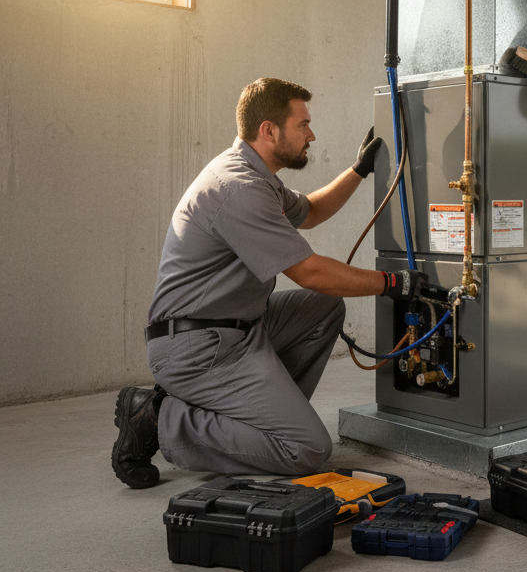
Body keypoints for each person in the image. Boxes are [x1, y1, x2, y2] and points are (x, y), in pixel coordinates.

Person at [111, 77, 424, 489]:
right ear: (269, 130)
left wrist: (359, 169)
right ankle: (158, 416)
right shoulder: (237, 188)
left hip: (238, 326)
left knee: (323, 308)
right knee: (307, 449)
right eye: (303, 125)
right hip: (198, 347)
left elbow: (310, 211)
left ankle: (256, 421)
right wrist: (391, 283)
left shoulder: (259, 177)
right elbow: (308, 271)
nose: (311, 135)